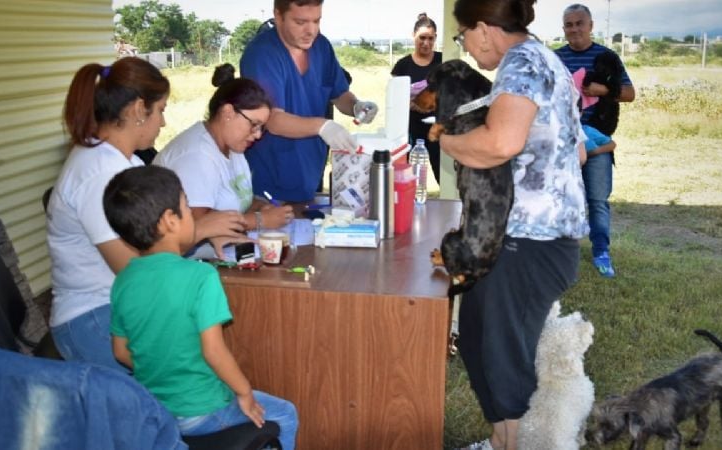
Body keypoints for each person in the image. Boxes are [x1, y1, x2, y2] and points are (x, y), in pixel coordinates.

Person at [439, 0, 589, 448]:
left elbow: (500, 142)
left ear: (484, 29)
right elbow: (575, 151)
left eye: (463, 33)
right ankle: (500, 441)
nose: (464, 45)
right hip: (521, 237)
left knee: (505, 359)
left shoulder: (522, 63)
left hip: (533, 242)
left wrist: (447, 141)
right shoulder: (545, 59)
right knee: (477, 343)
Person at [47, 57, 248, 371]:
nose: (163, 123)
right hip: (94, 318)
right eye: (161, 110)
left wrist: (203, 231)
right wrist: (199, 229)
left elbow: (152, 247)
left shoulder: (126, 164)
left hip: (119, 307)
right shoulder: (99, 173)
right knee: (190, 380)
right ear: (139, 110)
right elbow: (135, 270)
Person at [104, 165, 298, 448]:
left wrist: (163, 368)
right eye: (186, 204)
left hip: (158, 410)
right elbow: (214, 351)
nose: (192, 212)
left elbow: (121, 351)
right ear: (170, 220)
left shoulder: (123, 281)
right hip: (202, 410)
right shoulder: (201, 277)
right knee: (286, 414)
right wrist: (244, 393)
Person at [240, 0, 379, 202]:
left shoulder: (321, 47)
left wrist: (356, 106)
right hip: (269, 183)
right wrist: (323, 126)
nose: (311, 31)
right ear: (278, 16)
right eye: (300, 22)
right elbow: (272, 120)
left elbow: (338, 93)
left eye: (316, 20)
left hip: (309, 176)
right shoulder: (262, 55)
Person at [154, 64, 295, 254]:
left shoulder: (233, 147)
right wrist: (260, 220)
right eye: (254, 125)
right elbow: (197, 225)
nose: (258, 135)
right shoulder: (197, 157)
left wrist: (262, 206)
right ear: (228, 112)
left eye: (261, 127)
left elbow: (235, 198)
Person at [555, 3, 635, 278]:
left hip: (597, 137)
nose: (574, 29)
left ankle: (601, 251)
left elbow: (630, 93)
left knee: (597, 199)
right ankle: (561, 253)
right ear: (563, 29)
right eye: (569, 24)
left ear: (591, 26)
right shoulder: (554, 58)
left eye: (579, 23)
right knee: (562, 197)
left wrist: (605, 90)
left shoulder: (607, 56)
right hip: (563, 140)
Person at [391, 13, 443, 184]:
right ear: (413, 36)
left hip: (438, 128)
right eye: (422, 38)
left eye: (431, 38)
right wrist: (413, 105)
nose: (426, 43)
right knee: (408, 176)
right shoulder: (403, 65)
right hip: (410, 129)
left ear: (435, 38)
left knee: (443, 172)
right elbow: (394, 98)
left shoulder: (443, 61)